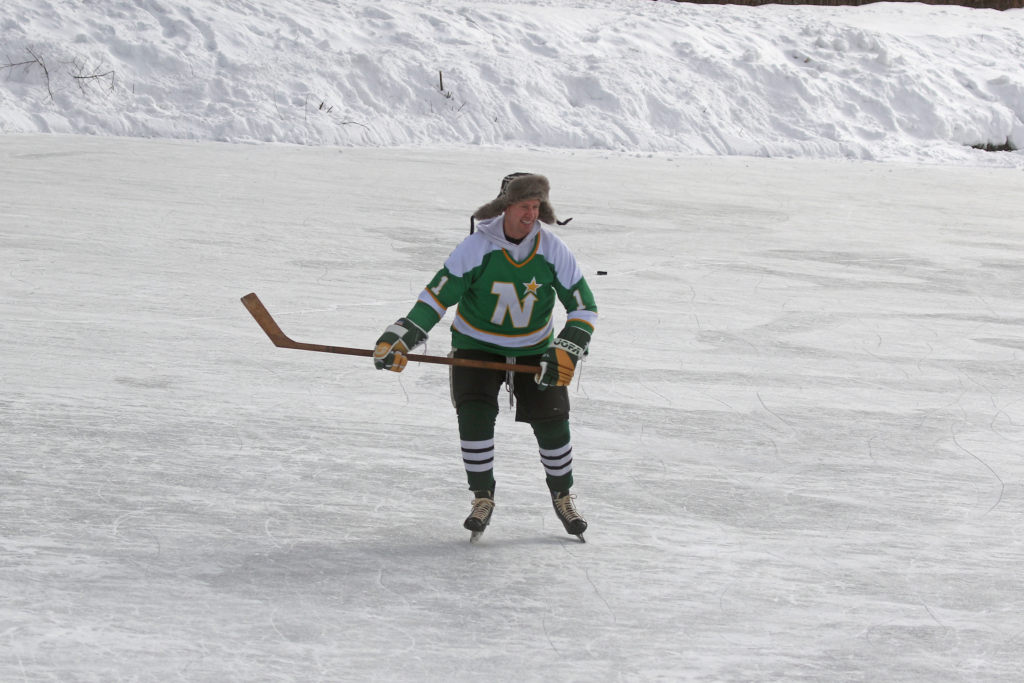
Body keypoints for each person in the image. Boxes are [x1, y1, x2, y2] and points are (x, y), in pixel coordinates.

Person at [371, 173, 597, 542]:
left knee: (554, 422)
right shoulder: (475, 248)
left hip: (534, 349)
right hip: (476, 346)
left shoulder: (552, 249)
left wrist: (569, 345)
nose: (531, 214)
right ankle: (482, 498)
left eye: (537, 207)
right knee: (474, 419)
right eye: (524, 206)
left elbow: (585, 306)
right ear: (505, 207)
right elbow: (435, 297)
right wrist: (402, 335)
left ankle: (563, 495)